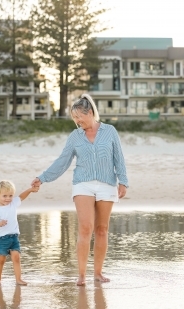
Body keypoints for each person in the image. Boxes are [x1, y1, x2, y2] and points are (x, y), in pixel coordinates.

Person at [31, 93, 129, 286]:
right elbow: (63, 161)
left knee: (102, 230)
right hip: (82, 183)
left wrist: (123, 181)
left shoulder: (110, 131)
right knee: (86, 228)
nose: (77, 121)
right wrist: (42, 178)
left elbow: (119, 157)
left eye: (79, 117)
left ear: (90, 112)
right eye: (74, 118)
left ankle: (98, 273)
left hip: (107, 184)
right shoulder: (75, 136)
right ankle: (82, 274)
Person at [0, 180, 39, 286]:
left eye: (10, 195)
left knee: (16, 258)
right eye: (5, 196)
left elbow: (21, 197)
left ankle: (18, 279)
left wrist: (30, 190)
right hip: (2, 239)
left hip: (14, 237)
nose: (8, 198)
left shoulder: (13, 204)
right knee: (1, 260)